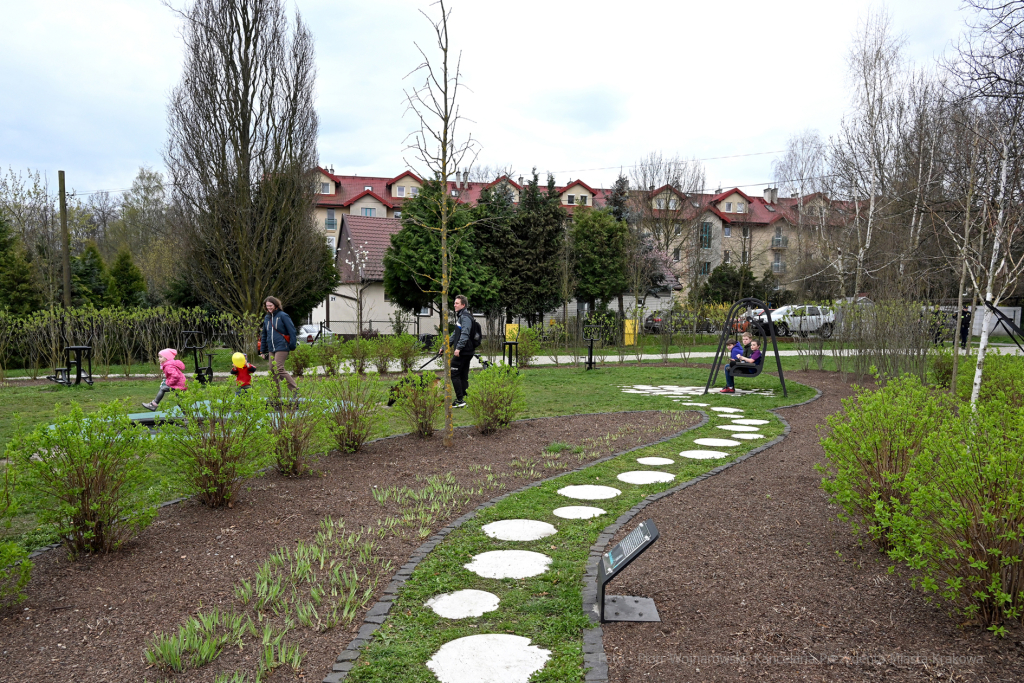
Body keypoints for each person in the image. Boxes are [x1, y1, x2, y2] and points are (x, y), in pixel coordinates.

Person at [260, 296, 298, 393]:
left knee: (278, 368)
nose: (269, 308)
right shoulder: (267, 317)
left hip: (282, 346)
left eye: (270, 305)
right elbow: (264, 334)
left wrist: (292, 345)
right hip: (272, 347)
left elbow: (292, 331)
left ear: (276, 305)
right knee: (272, 370)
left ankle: (295, 390)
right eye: (267, 306)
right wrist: (262, 350)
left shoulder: (283, 316)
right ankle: (276, 395)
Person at [449, 294, 474, 408]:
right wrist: (444, 347)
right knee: (463, 375)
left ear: (463, 305)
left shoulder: (465, 317)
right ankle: (465, 398)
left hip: (464, 351)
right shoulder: (461, 316)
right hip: (466, 351)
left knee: (454, 373)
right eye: (454, 303)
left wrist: (458, 348)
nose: (454, 305)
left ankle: (460, 400)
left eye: (457, 303)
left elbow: (465, 334)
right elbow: (455, 334)